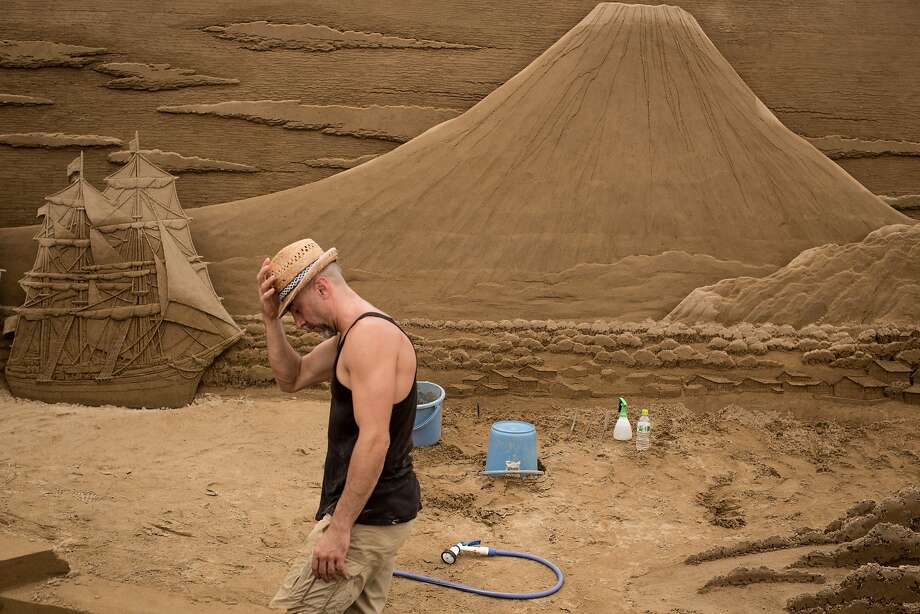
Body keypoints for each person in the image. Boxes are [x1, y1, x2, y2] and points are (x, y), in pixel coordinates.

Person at [256, 238, 421, 613]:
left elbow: (375, 440)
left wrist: (340, 529)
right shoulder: (351, 336)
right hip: (379, 513)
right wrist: (269, 320)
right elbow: (291, 377)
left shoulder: (370, 338)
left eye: (295, 309)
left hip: (368, 517)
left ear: (322, 287)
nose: (298, 322)